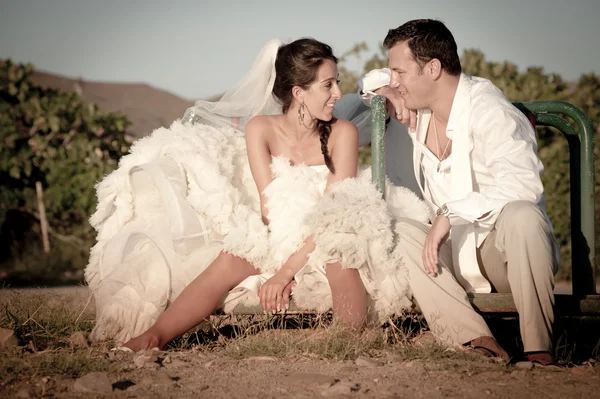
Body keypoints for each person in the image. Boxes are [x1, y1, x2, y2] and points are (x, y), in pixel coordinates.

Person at [85, 38, 430, 350]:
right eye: (328, 84)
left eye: (337, 82)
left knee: (342, 253)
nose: (338, 93)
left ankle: (348, 341)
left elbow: (335, 216)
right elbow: (269, 208)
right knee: (231, 257)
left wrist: (285, 273)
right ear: (298, 93)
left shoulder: (343, 134)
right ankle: (154, 337)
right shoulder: (260, 129)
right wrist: (277, 257)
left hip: (330, 225)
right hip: (281, 225)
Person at [369, 19, 559, 364]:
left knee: (523, 216)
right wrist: (381, 96)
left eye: (399, 73)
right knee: (396, 230)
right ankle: (477, 342)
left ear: (434, 68)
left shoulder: (492, 111)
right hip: (448, 256)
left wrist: (450, 213)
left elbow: (525, 183)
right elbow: (358, 104)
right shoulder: (416, 112)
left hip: (499, 255)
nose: (394, 81)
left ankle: (539, 353)